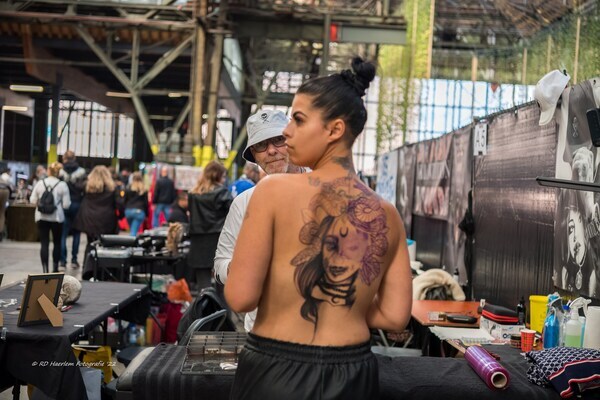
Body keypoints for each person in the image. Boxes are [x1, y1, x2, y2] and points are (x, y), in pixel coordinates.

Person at [225, 58, 412, 399]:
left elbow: (240, 296)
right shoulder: (387, 214)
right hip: (353, 372)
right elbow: (395, 316)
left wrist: (293, 290)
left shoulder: (271, 191)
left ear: (334, 130)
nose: (286, 132)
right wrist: (342, 303)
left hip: (274, 370)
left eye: (298, 120)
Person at [214, 109, 304, 331]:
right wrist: (241, 266)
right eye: (261, 145)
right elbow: (220, 265)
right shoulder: (244, 203)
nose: (271, 151)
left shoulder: (323, 191)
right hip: (260, 330)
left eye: (278, 140)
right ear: (254, 155)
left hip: (315, 331)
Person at [188, 161, 232, 290]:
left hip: (198, 240)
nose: (224, 179)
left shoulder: (193, 194)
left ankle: (206, 303)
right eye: (223, 176)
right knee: (222, 281)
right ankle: (222, 304)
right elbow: (232, 215)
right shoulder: (222, 193)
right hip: (218, 239)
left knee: (203, 285)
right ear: (216, 176)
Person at [73, 165, 121, 278]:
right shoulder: (112, 189)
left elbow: (75, 184)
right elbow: (119, 204)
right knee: (105, 246)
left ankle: (87, 270)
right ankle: (103, 272)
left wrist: (85, 176)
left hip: (89, 220)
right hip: (107, 220)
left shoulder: (87, 187)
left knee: (90, 244)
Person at [30, 162, 71, 273]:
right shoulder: (62, 185)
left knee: (44, 243)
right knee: (57, 243)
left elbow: (32, 200)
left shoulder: (40, 183)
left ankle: (45, 270)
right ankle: (55, 268)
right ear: (58, 172)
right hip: (57, 217)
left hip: (41, 216)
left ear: (48, 171)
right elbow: (66, 205)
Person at [59, 150, 87, 269]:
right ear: (74, 158)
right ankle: (74, 260)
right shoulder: (81, 172)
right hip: (77, 204)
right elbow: (84, 189)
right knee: (76, 233)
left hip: (63, 205)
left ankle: (62, 261)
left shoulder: (60, 171)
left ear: (64, 158)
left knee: (63, 234)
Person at [124, 172, 149, 236]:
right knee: (133, 231)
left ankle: (131, 239)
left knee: (132, 230)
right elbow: (146, 203)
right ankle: (131, 241)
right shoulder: (143, 190)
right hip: (139, 211)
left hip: (128, 211)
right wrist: (147, 214)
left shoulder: (128, 188)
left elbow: (125, 201)